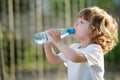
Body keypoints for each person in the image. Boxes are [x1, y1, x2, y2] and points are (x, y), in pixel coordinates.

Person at [44, 6, 118, 80]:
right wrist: (48, 45)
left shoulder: (95, 50)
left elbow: (75, 57)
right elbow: (54, 60)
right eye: (77, 21)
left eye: (81, 22)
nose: (76, 24)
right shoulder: (73, 47)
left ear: (94, 32)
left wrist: (58, 42)